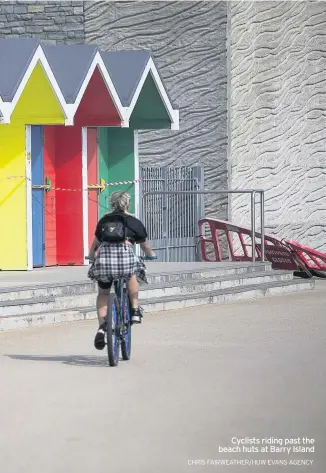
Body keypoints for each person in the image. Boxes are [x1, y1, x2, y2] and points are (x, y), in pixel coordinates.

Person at [88, 191, 156, 350]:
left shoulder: (104, 221)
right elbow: (145, 246)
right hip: (124, 261)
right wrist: (151, 255)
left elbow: (95, 244)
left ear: (112, 204)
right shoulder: (133, 221)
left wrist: (91, 256)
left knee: (103, 294)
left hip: (104, 262)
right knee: (131, 272)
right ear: (127, 204)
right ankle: (134, 310)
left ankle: (102, 328)